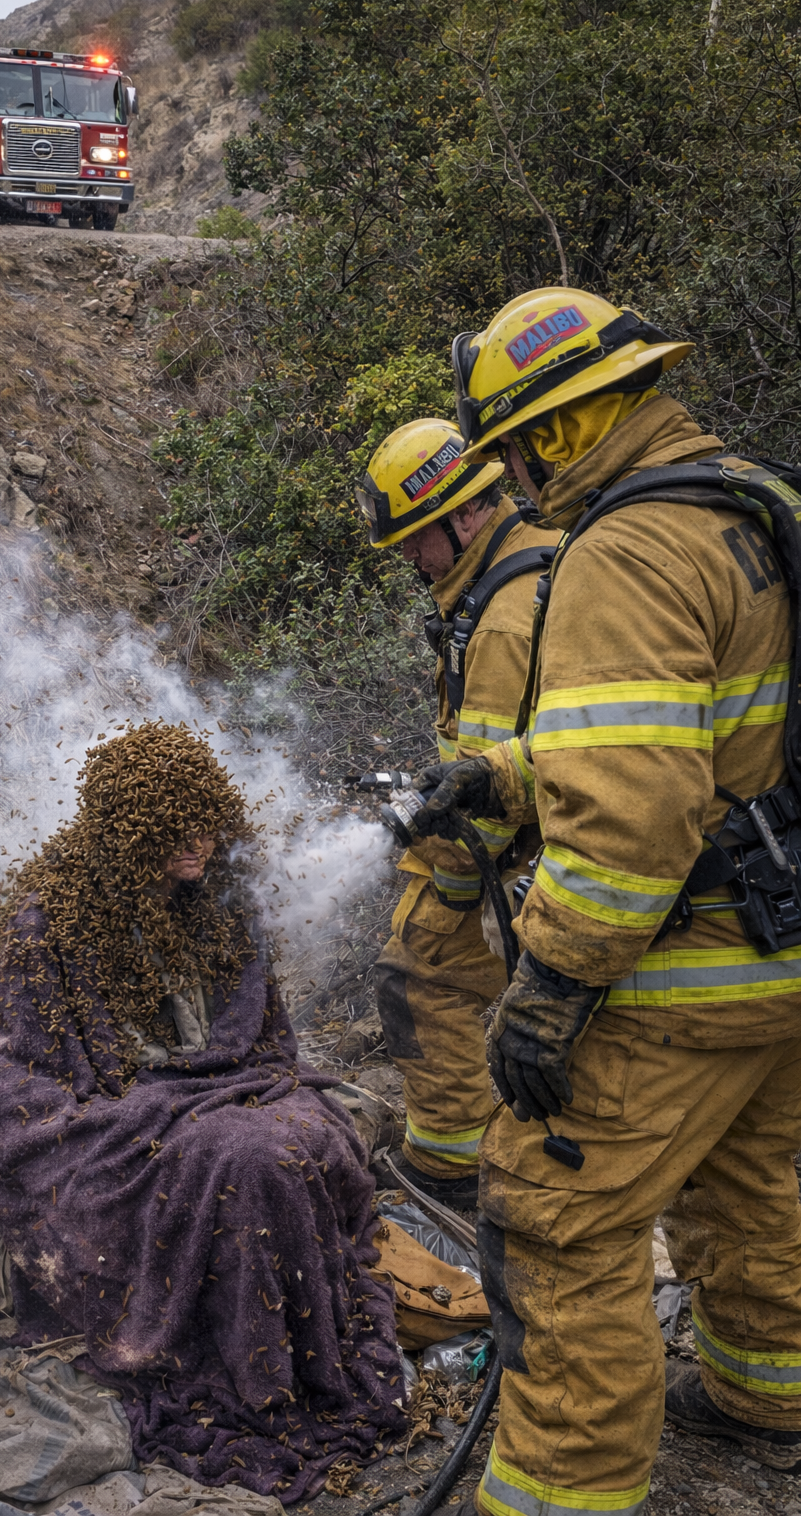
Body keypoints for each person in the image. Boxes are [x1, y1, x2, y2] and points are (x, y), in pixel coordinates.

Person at [402, 288, 801, 1515]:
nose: (516, 478)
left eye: (518, 447)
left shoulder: (624, 551)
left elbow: (634, 819)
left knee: (552, 1225)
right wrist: (506, 773)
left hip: (678, 971)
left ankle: (561, 1495)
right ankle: (764, 1393)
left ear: (559, 430)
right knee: (757, 1182)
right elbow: (719, 749)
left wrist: (550, 989)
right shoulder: (756, 503)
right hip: (780, 956)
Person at [0, 722, 405, 1503]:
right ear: (127, 830)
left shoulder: (216, 905)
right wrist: (158, 1111)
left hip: (220, 1095)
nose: (196, 843)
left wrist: (227, 1092)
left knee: (304, 1135)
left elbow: (266, 1042)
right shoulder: (50, 927)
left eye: (206, 820)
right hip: (107, 1126)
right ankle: (252, 1376)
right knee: (244, 1158)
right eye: (173, 828)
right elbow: (17, 1093)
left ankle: (304, 1363)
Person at [355, 422, 557, 1213]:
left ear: (465, 514)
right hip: (537, 850)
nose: (408, 555)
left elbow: (498, 792)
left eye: (414, 537)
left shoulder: (503, 615)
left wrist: (443, 885)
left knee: (417, 975)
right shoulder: (517, 561)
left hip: (508, 860)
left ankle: (449, 1171)